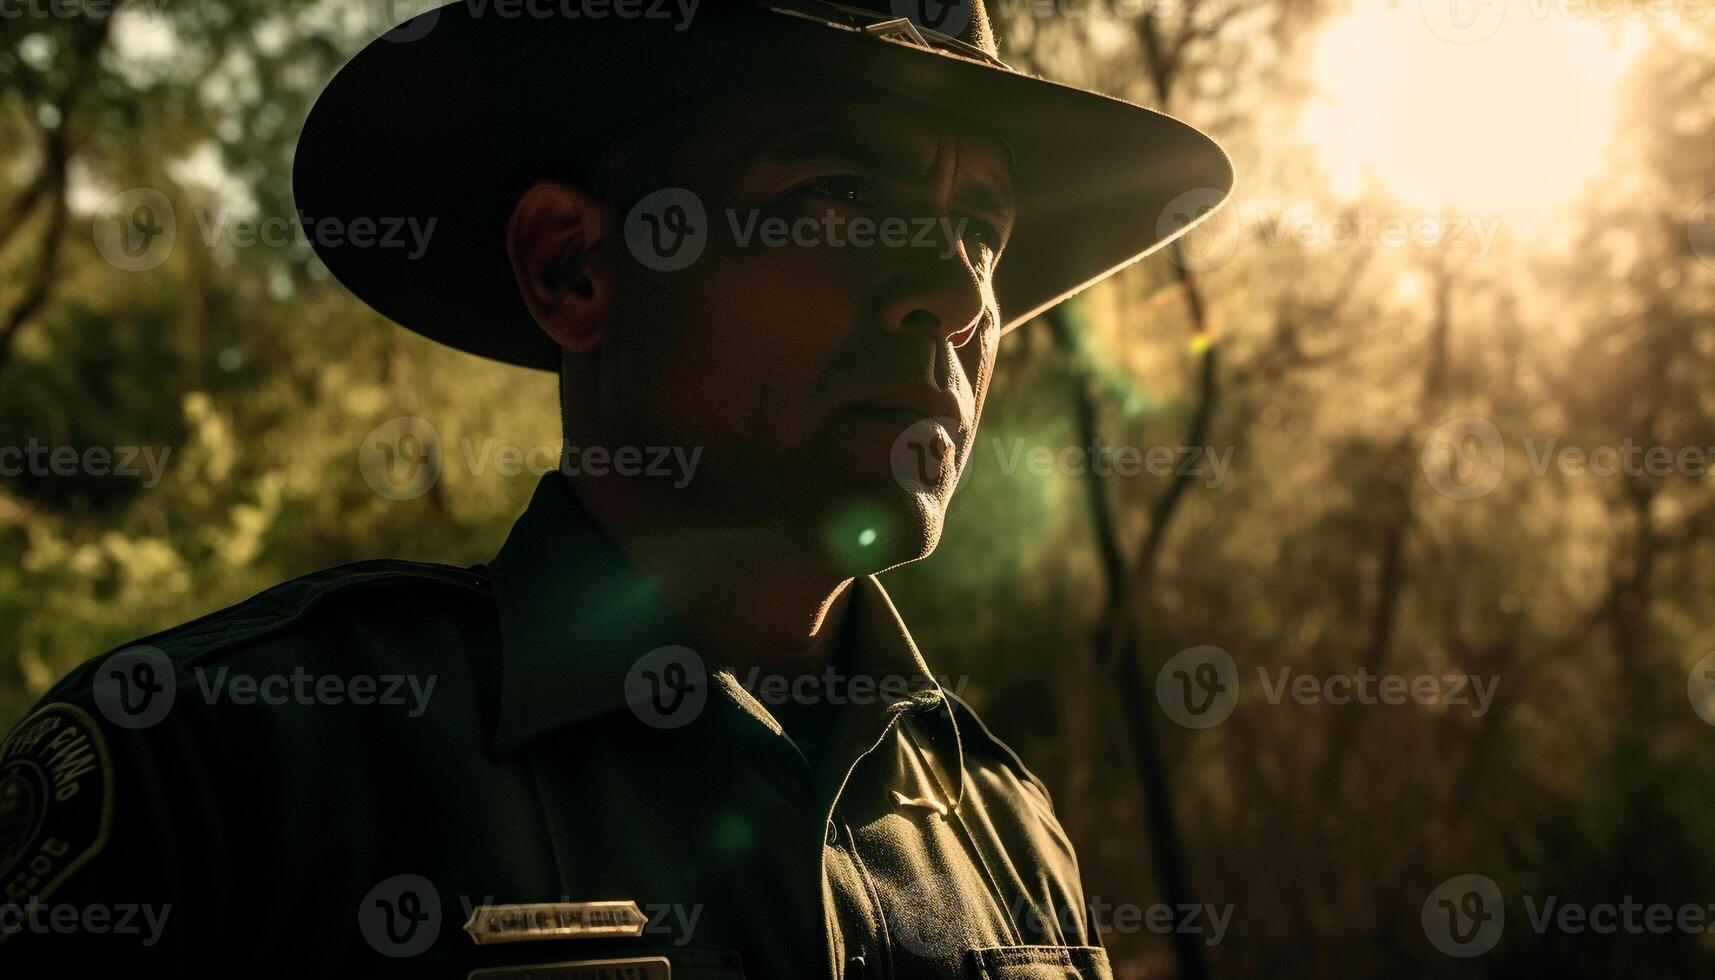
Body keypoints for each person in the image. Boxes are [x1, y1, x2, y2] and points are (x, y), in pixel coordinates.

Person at [0, 0, 1230, 974]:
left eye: (980, 232)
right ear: (575, 266)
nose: (957, 296)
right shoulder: (219, 775)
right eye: (841, 196)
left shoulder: (1003, 828)